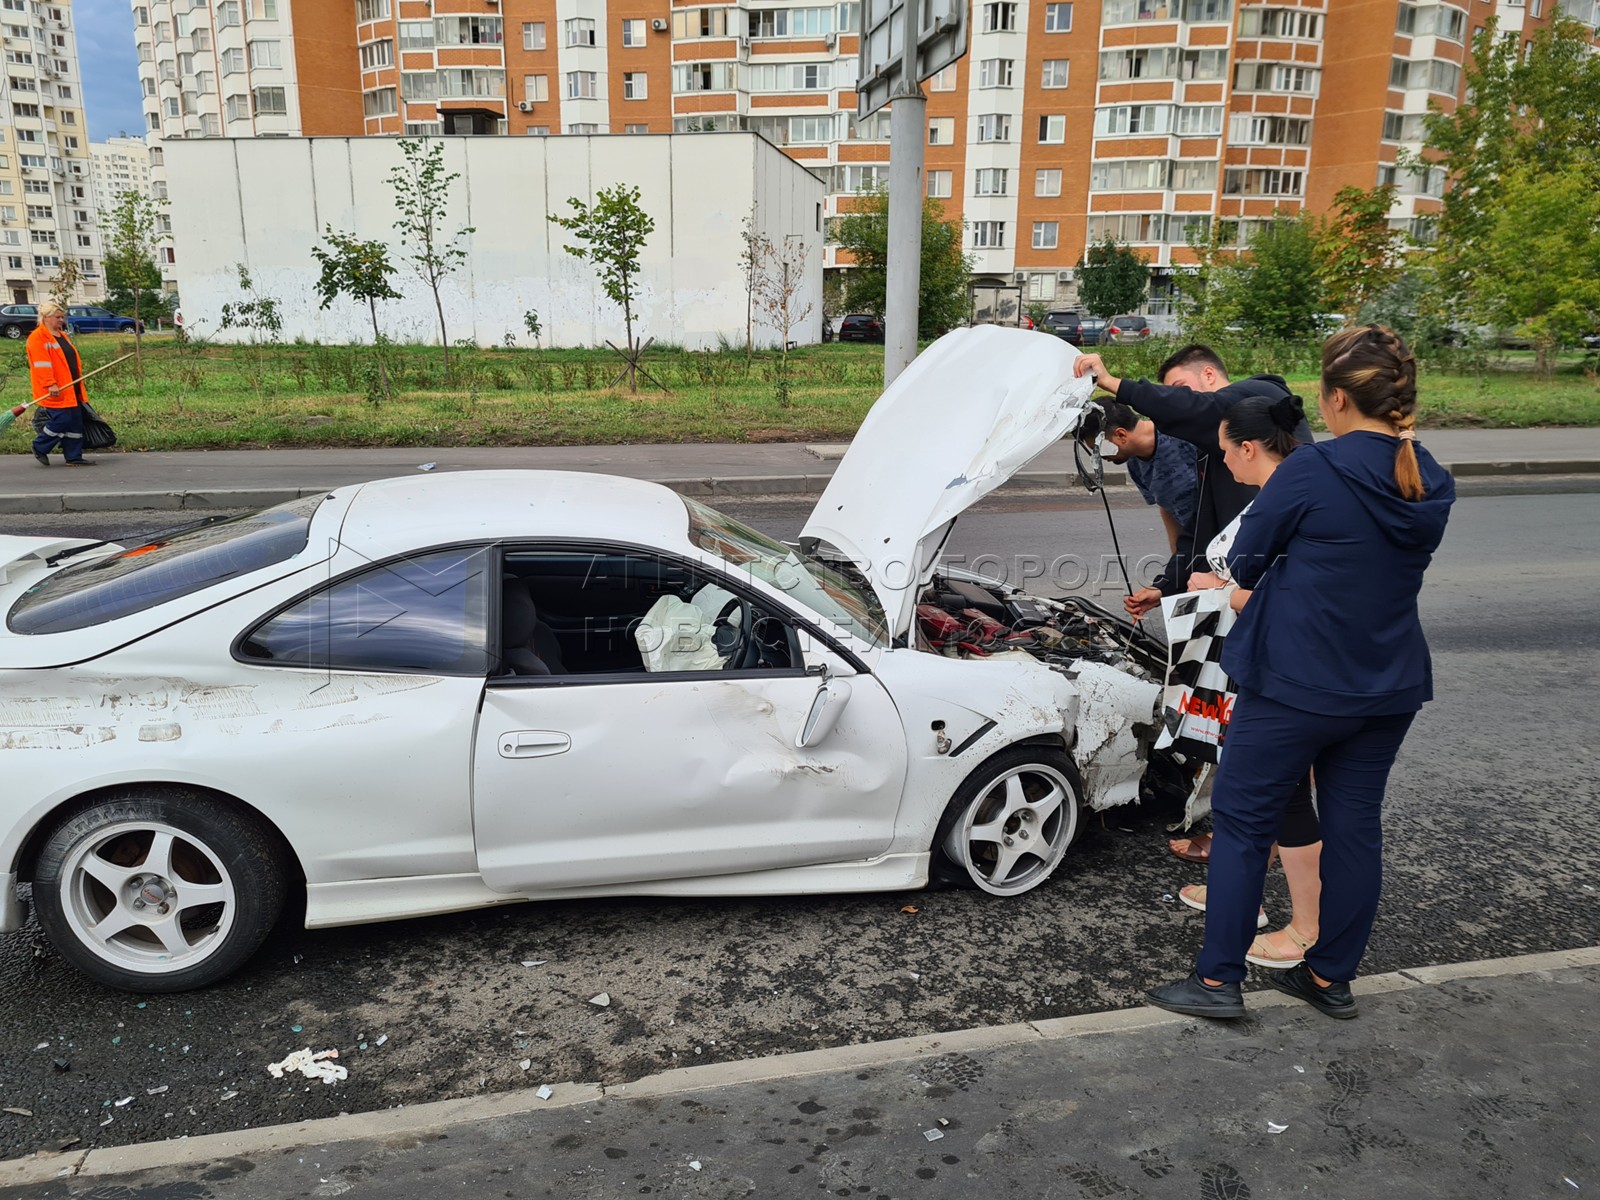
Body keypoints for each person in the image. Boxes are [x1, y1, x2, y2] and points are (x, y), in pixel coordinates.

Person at [1144, 324, 1455, 1021]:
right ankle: (1329, 977)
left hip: (1296, 680)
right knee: (1354, 827)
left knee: (1245, 823)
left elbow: (1245, 561)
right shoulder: (1428, 473)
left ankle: (1219, 982)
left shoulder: (1315, 469)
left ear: (1336, 399)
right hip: (1389, 681)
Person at [1075, 344, 1314, 866]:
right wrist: (1169, 584)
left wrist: (1114, 383)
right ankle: (1262, 841)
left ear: (1211, 375)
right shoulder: (1214, 449)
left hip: (1268, 607)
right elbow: (1196, 531)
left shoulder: (1260, 397)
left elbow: (1201, 413)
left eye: (1178, 391)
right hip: (1243, 602)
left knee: (1257, 739)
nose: (1173, 408)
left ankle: (1257, 855)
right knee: (1237, 731)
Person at [1173, 392, 1321, 969]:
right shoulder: (1279, 491)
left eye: (1225, 451)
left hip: (1282, 669)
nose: (1221, 463)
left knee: (1273, 797)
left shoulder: (1291, 498)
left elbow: (1293, 595)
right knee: (1265, 794)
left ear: (1250, 448)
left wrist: (1220, 591)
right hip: (1262, 660)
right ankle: (1246, 898)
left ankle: (1304, 929)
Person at [1087, 400, 1199, 554]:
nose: (1099, 457)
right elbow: (1167, 506)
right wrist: (1178, 558)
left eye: (1098, 449)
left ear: (1120, 434)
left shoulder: (1184, 436)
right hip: (1197, 548)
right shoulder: (1134, 462)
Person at [28, 301, 94, 467]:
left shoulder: (61, 335)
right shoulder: (38, 338)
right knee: (62, 419)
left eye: (62, 317)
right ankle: (40, 446)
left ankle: (73, 456)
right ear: (46, 317)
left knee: (74, 421)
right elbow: (41, 364)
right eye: (58, 317)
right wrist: (50, 384)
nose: (61, 320)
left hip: (71, 386)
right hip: (55, 388)